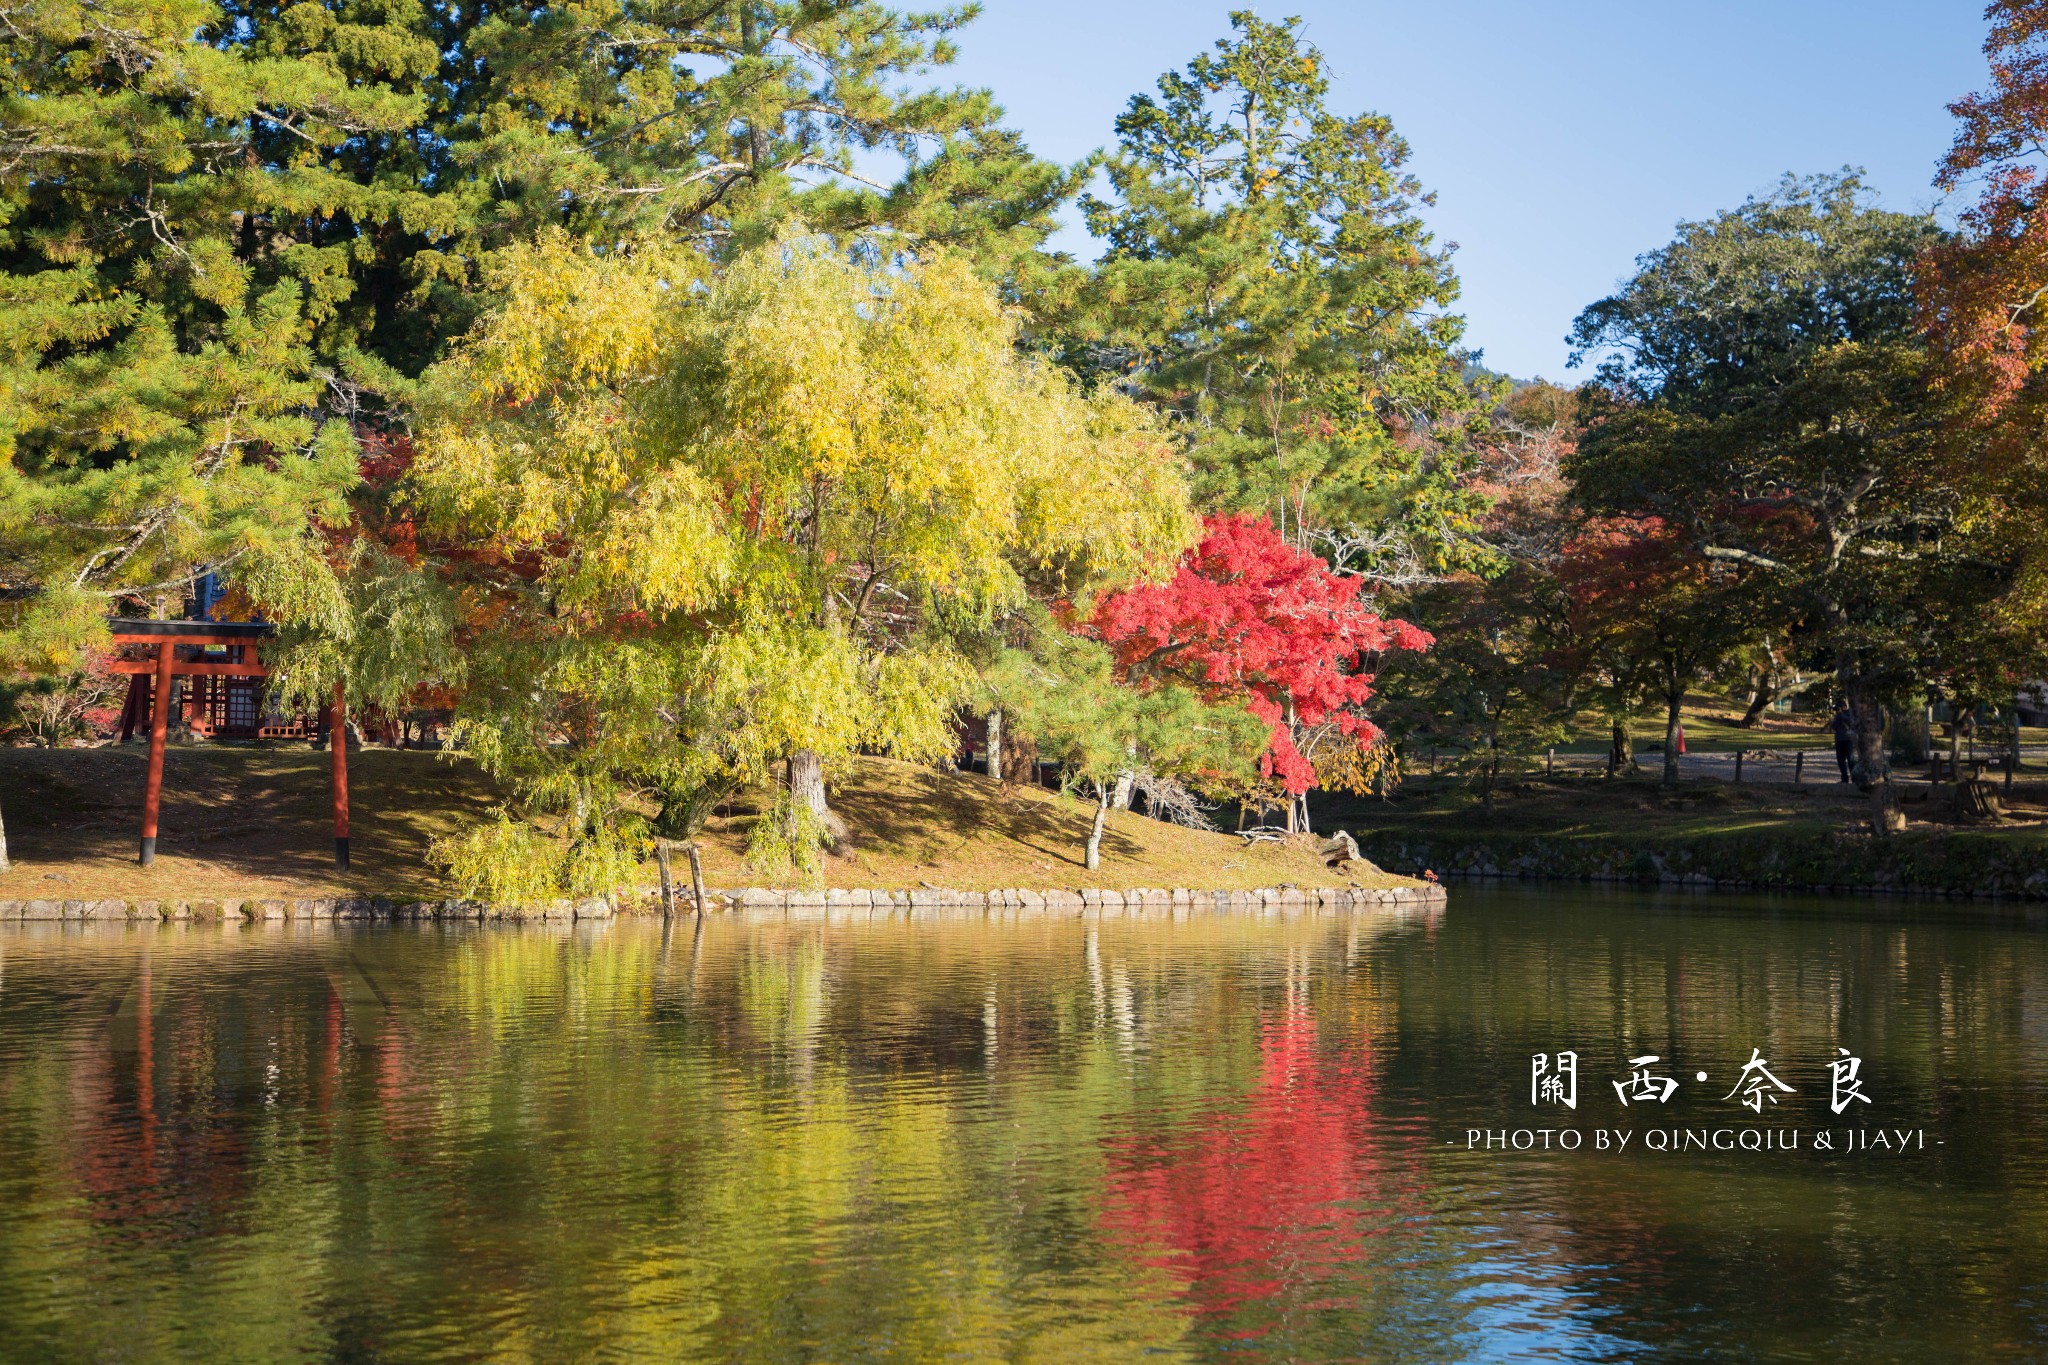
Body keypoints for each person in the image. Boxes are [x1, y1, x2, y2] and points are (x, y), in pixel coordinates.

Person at [1830, 701, 1859, 783]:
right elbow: (1833, 726)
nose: (1837, 710)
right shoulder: (1837, 716)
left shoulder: (1849, 714)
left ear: (1844, 707)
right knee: (1840, 761)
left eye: (1839, 707)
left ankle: (1855, 779)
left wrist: (1841, 715)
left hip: (1848, 740)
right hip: (1839, 740)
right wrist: (1838, 717)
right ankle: (1844, 779)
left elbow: (1850, 722)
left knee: (1851, 761)